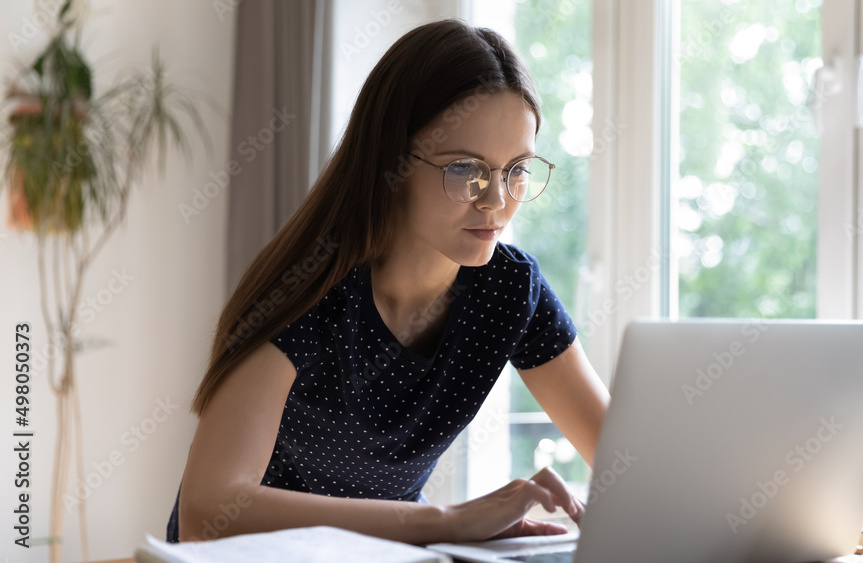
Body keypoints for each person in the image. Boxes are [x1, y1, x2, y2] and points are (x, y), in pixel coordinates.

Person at [166, 18, 610, 545]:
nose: (495, 201)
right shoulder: (310, 291)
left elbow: (630, 467)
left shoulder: (509, 291)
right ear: (393, 161)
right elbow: (207, 511)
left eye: (516, 169)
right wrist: (448, 523)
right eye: (464, 168)